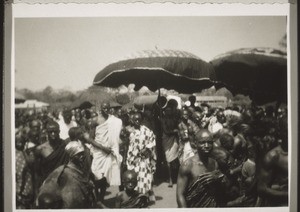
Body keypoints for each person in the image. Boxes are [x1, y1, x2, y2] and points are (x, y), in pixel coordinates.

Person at [37, 141, 96, 209]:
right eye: (78, 154)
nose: (82, 157)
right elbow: (47, 190)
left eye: (82, 154)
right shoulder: (62, 172)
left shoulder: (82, 170)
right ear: (72, 156)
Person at [176, 129, 225, 208]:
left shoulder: (214, 163)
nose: (206, 146)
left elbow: (217, 189)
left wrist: (218, 177)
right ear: (195, 143)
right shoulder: (187, 165)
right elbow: (180, 195)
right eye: (202, 142)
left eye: (209, 142)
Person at [89, 102, 123, 201]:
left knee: (105, 178)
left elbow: (117, 134)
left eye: (107, 108)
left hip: (109, 152)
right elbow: (91, 139)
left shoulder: (114, 121)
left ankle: (100, 199)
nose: (106, 110)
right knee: (96, 176)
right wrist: (103, 148)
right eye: (104, 108)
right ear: (100, 109)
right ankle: (96, 197)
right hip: (99, 153)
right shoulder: (95, 120)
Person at [257, 116, 288, 206]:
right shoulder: (273, 156)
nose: (291, 134)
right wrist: (289, 194)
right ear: (280, 132)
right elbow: (261, 189)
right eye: (287, 131)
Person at [126, 112, 157, 203]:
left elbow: (152, 140)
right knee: (134, 178)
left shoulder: (146, 130)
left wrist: (147, 148)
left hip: (144, 159)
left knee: (144, 178)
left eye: (139, 120)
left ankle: (143, 198)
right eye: (135, 120)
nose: (137, 121)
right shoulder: (129, 130)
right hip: (133, 159)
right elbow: (127, 145)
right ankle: (135, 198)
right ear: (132, 120)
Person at [35, 121, 69, 185]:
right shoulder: (40, 149)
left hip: (63, 180)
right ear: (46, 132)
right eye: (50, 132)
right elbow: (37, 171)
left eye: (55, 131)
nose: (53, 134)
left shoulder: (65, 145)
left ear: (59, 131)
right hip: (48, 181)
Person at [161, 106, 180, 187]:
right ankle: (170, 179)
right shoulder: (163, 119)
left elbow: (178, 127)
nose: (169, 112)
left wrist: (176, 131)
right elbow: (166, 131)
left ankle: (176, 177)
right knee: (168, 160)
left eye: (170, 110)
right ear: (165, 112)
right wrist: (175, 131)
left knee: (175, 160)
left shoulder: (174, 119)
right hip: (166, 140)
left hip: (174, 139)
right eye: (167, 111)